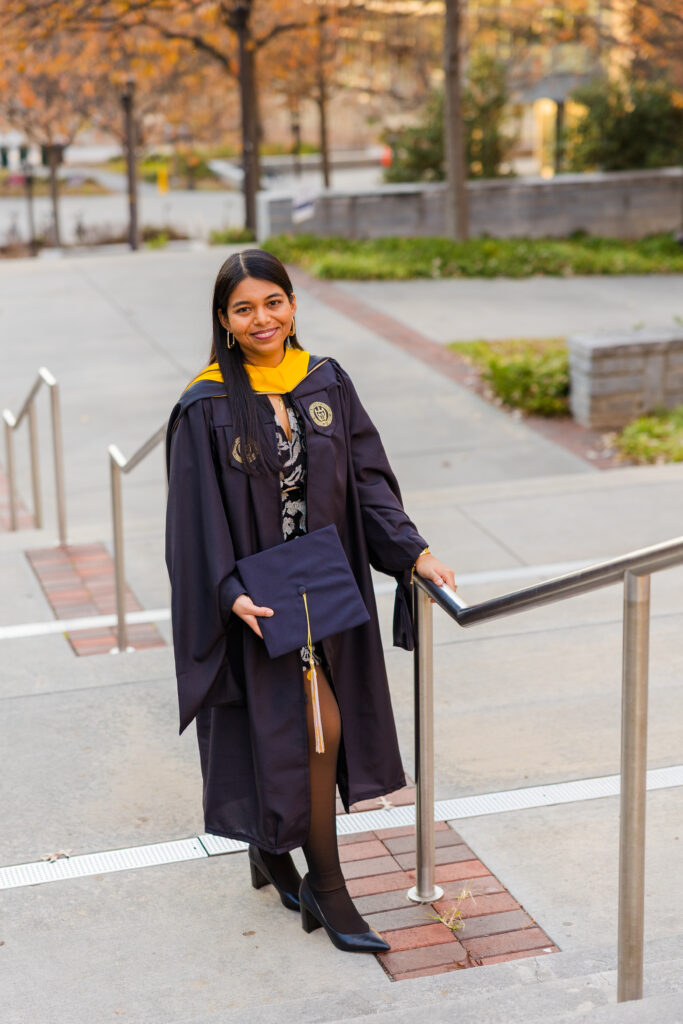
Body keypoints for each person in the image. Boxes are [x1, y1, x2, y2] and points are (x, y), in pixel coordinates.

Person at [165, 249, 456, 954]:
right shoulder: (203, 405)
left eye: (273, 301)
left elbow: (367, 481)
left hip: (327, 583)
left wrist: (412, 552)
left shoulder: (324, 381)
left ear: (292, 304)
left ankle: (271, 849)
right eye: (244, 308)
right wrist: (226, 592)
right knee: (311, 726)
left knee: (318, 723)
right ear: (224, 322)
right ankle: (327, 891)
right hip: (260, 597)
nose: (262, 319)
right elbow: (192, 519)